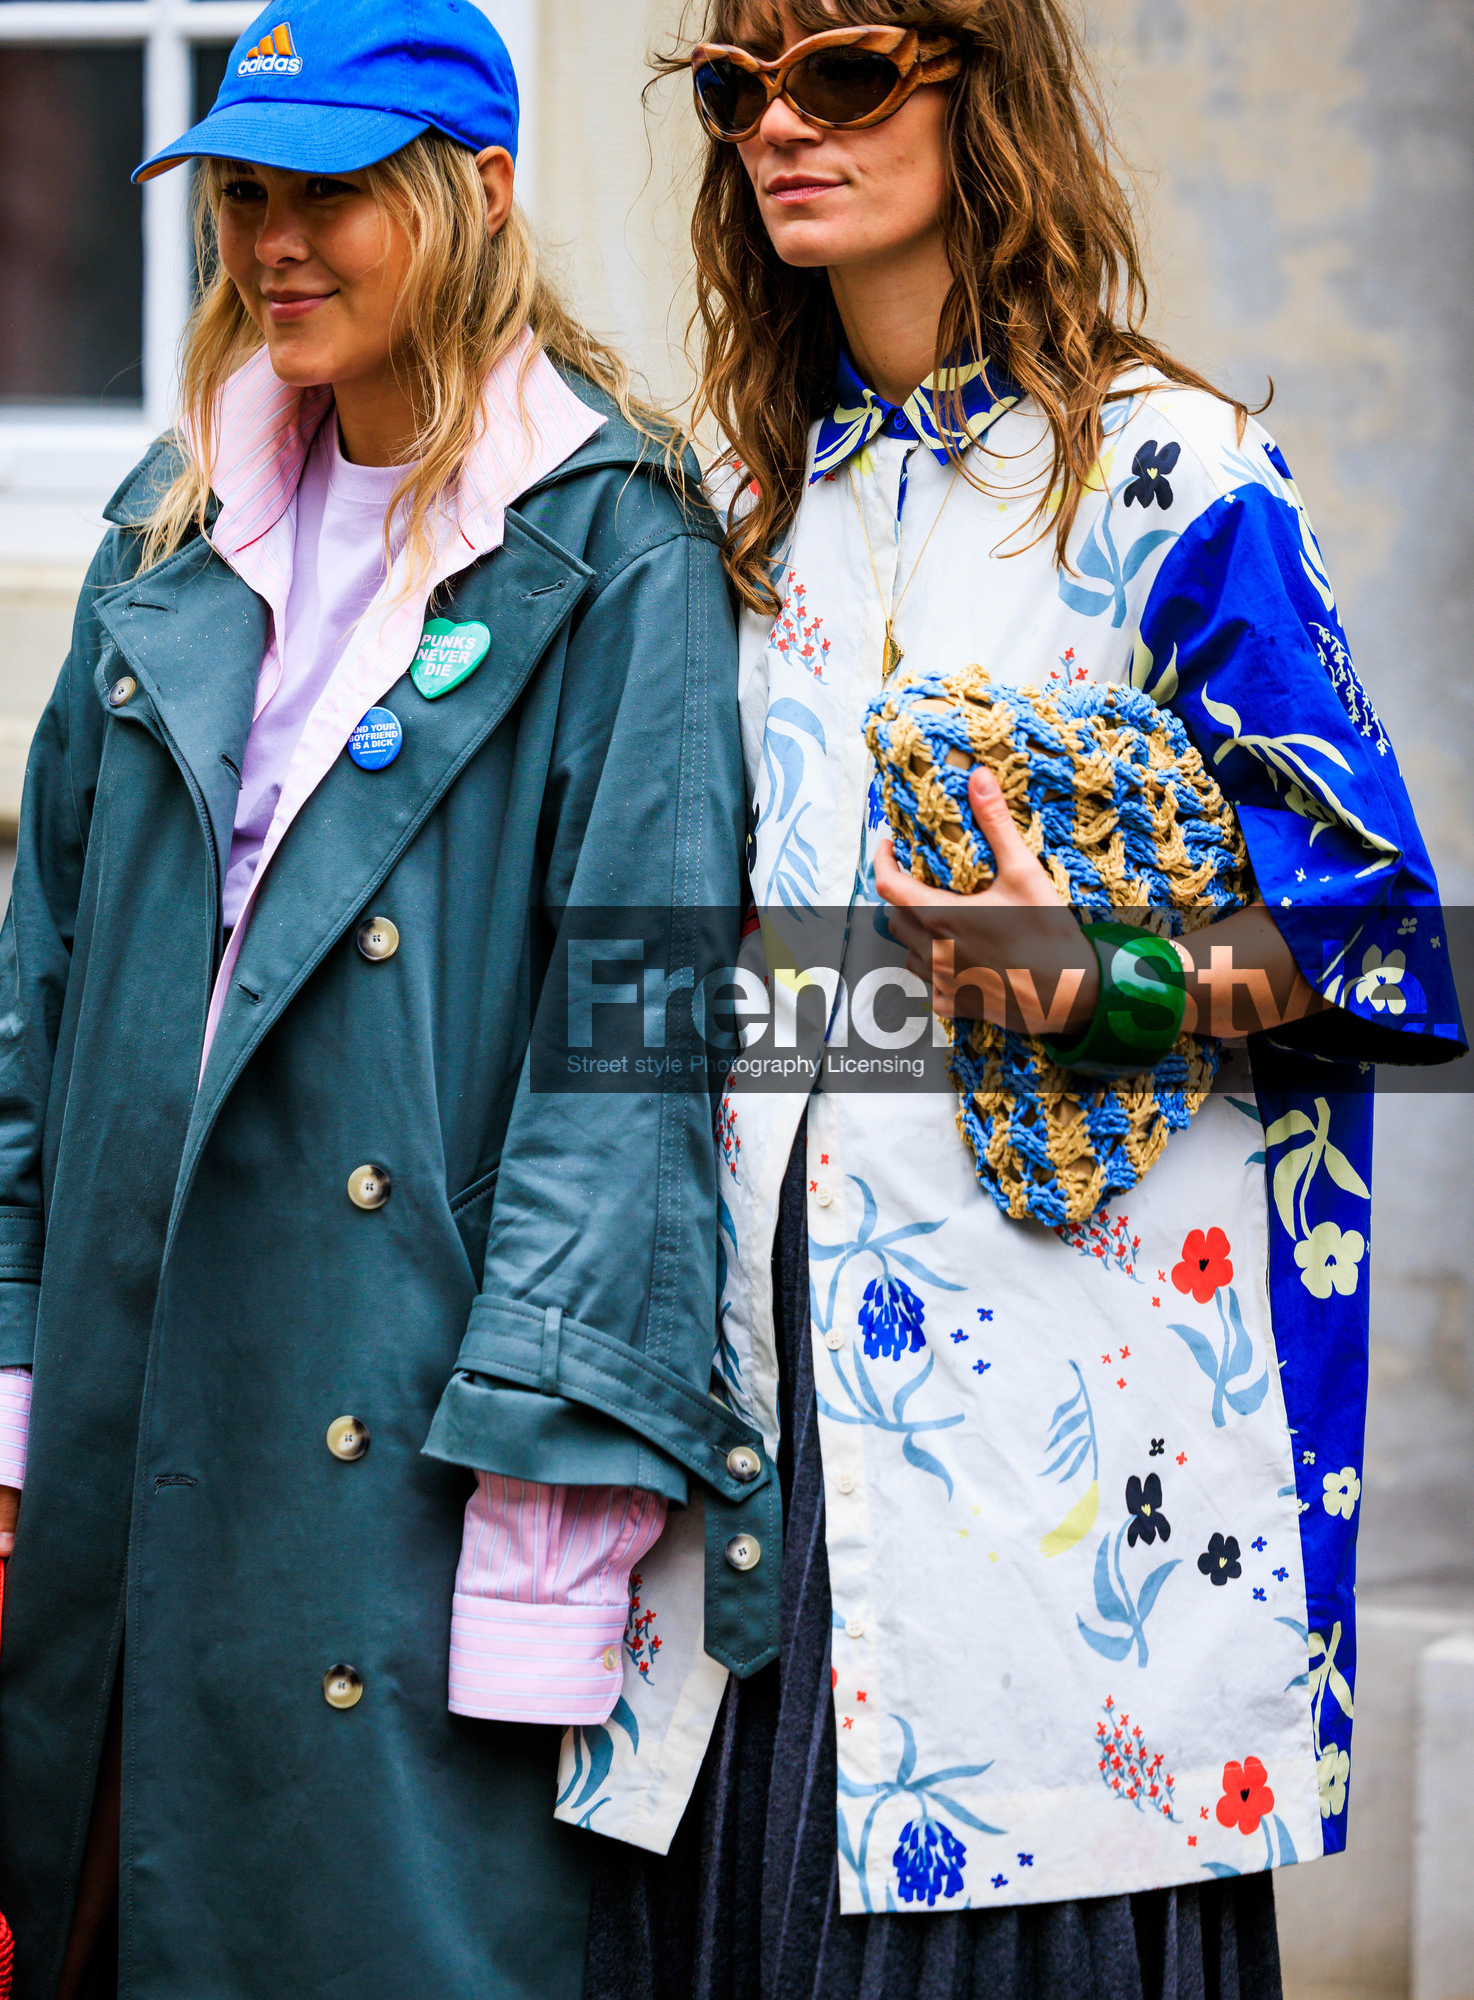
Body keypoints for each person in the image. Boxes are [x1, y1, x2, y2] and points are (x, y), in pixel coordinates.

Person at [577, 4, 1466, 1997]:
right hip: (768, 1443)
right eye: (734, 88)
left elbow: (1391, 944)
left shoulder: (1174, 475)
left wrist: (1106, 980)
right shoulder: (731, 501)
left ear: (980, 85)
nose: (778, 125)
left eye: (839, 69)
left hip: (1082, 1488)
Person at [0, 2, 757, 1995]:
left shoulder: (614, 548)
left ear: (478, 196)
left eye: (332, 194)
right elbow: (39, 984)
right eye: (244, 194)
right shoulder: (168, 521)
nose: (274, 241)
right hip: (117, 1415)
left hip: (403, 1456)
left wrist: (545, 1549)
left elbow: (627, 1071)